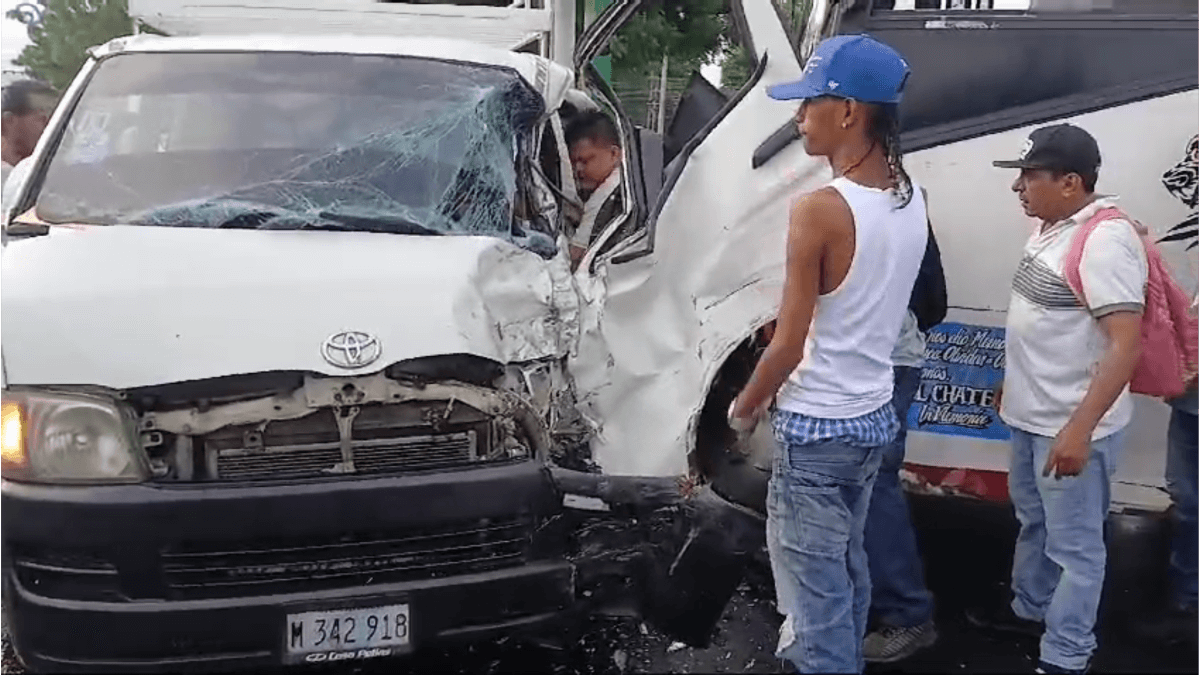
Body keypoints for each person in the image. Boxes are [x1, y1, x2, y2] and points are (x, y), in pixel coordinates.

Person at [727, 34, 927, 673]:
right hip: (871, 416)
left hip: (816, 428)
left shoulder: (819, 209)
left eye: (809, 102)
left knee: (815, 600)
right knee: (848, 568)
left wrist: (744, 407)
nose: (797, 116)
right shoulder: (909, 195)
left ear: (848, 113)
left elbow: (788, 343)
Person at [968, 124, 1147, 675]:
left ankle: (1066, 654)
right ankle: (1030, 610)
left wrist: (1080, 429)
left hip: (1066, 426)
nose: (1018, 187)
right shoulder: (1051, 229)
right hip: (1030, 416)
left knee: (1078, 554)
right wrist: (1012, 379)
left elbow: (1125, 344)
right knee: (1035, 522)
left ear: (1070, 182)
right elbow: (1044, 318)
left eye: (1029, 176)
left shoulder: (1104, 241)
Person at [564, 110, 623, 270]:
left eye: (585, 160)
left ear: (614, 154)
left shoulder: (607, 194)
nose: (578, 170)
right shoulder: (629, 179)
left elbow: (575, 257)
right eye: (574, 163)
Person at [1, 79, 57, 189]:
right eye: (41, 116)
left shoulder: (46, 169)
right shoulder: (7, 177)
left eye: (54, 116)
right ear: (10, 121)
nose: (49, 124)